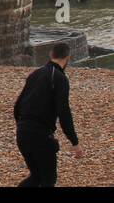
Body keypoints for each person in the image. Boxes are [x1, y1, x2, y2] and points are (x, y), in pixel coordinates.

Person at [13, 43, 82, 187]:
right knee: (48, 179)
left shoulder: (35, 74)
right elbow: (64, 112)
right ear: (68, 58)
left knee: (36, 177)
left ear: (51, 54)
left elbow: (17, 106)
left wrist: (22, 127)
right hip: (40, 135)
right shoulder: (59, 78)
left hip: (22, 133)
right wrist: (74, 141)